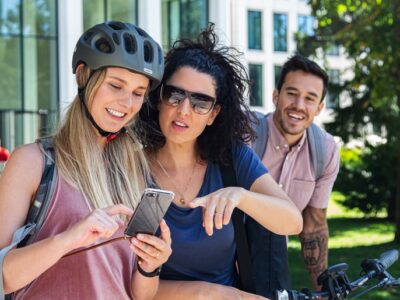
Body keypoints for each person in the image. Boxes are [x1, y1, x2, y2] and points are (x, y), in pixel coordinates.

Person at [0, 21, 172, 300]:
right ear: (84, 76)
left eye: (138, 93)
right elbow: (3, 277)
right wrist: (69, 239)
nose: (127, 103)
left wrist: (150, 267)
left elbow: (139, 294)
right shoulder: (33, 162)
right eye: (116, 85)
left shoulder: (134, 172)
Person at [138, 23, 303, 300]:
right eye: (175, 94)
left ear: (213, 114)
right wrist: (210, 293)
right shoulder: (132, 167)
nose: (184, 111)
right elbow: (124, 278)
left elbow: (293, 221)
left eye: (200, 102)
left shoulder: (231, 158)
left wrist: (240, 196)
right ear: (158, 98)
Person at [254, 54, 340, 290]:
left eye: (310, 99)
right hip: (223, 256)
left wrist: (323, 289)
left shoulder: (326, 151)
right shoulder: (245, 134)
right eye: (291, 93)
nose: (299, 105)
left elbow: (313, 226)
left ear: (320, 107)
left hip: (274, 262)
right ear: (275, 96)